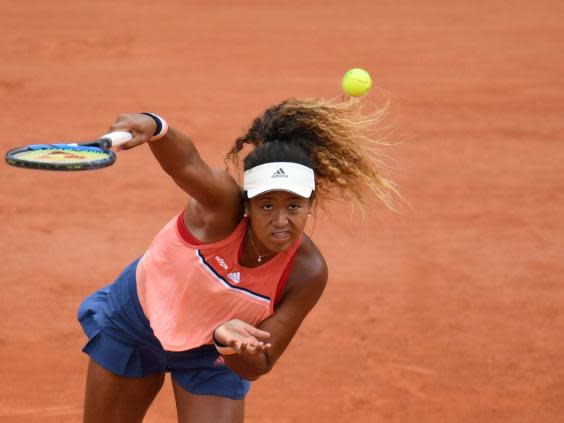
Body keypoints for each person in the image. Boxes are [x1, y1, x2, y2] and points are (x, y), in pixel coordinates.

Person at [77, 98, 398, 423]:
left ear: (310, 205)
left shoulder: (307, 272)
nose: (281, 220)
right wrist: (155, 126)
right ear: (247, 205)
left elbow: (263, 360)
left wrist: (228, 343)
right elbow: (187, 162)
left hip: (208, 354)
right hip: (137, 322)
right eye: (267, 205)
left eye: (294, 206)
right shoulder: (221, 208)